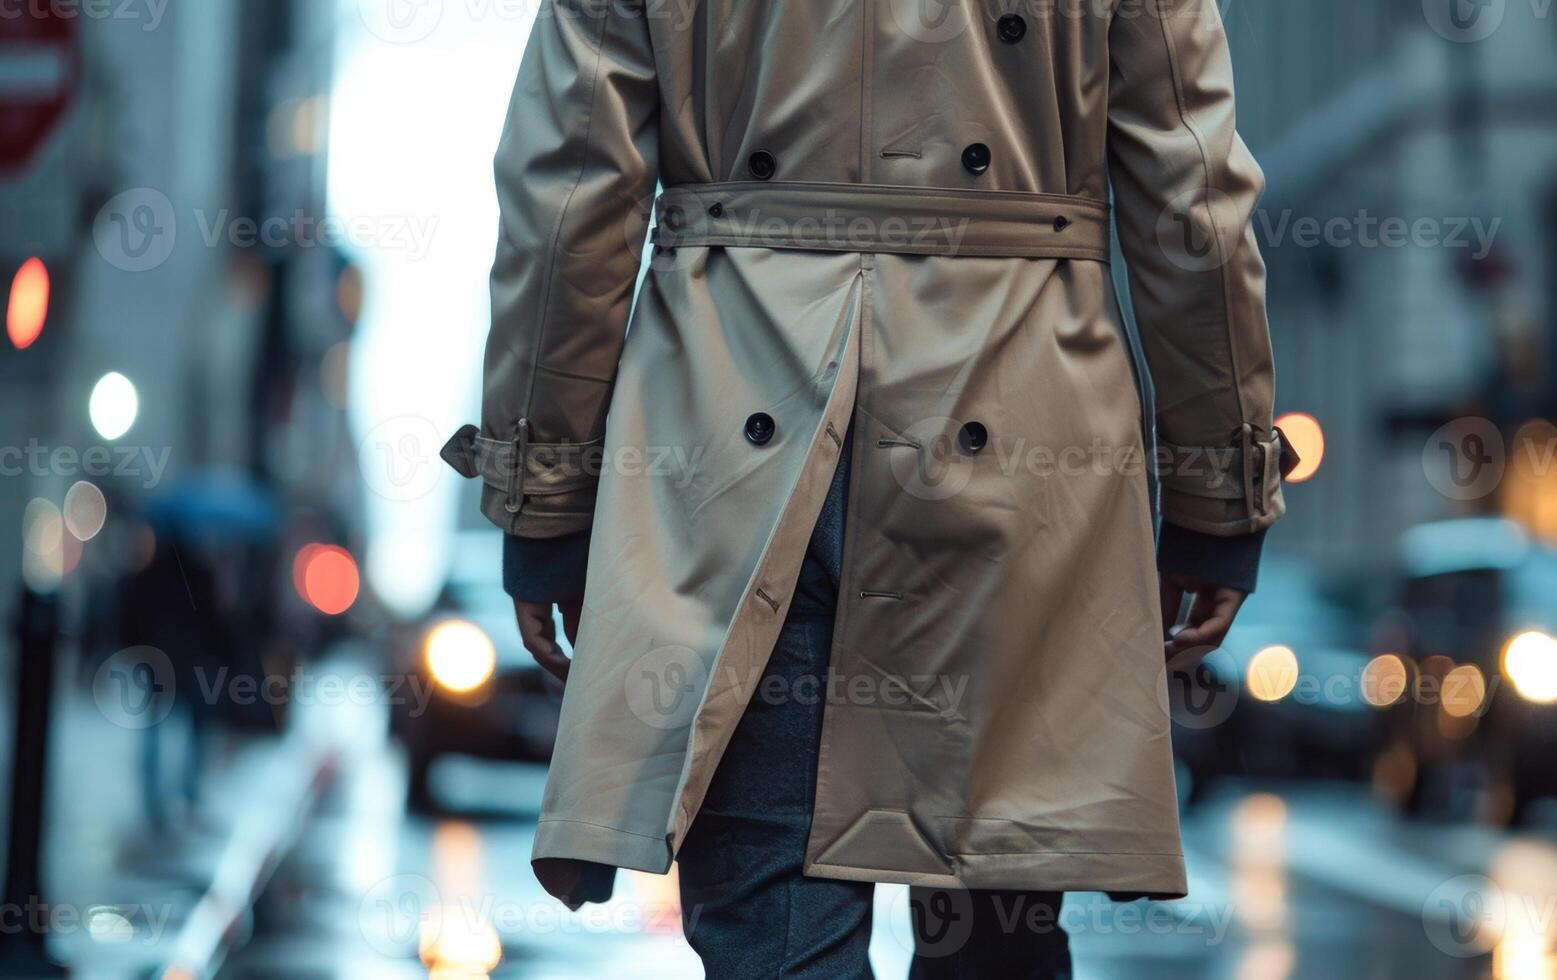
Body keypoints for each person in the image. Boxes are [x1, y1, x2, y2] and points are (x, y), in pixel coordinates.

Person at [443, 1, 1291, 975]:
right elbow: (1193, 200)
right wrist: (1218, 495)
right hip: (1022, 445)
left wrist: (544, 496)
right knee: (991, 937)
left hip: (734, 453)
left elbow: (568, 202)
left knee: (774, 927)